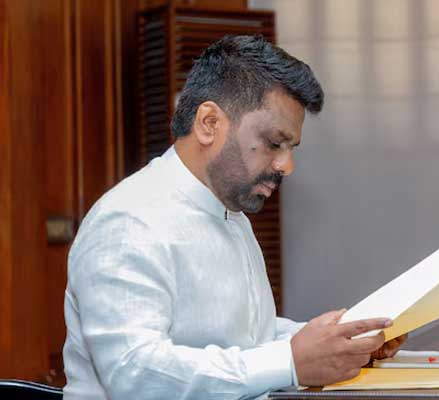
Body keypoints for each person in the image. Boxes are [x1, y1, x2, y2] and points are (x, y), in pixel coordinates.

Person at [63, 35, 406, 400]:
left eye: (290, 148)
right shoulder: (129, 221)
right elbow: (135, 373)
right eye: (275, 143)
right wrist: (289, 360)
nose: (286, 166)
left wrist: (339, 342)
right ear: (209, 123)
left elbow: (243, 337)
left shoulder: (229, 212)